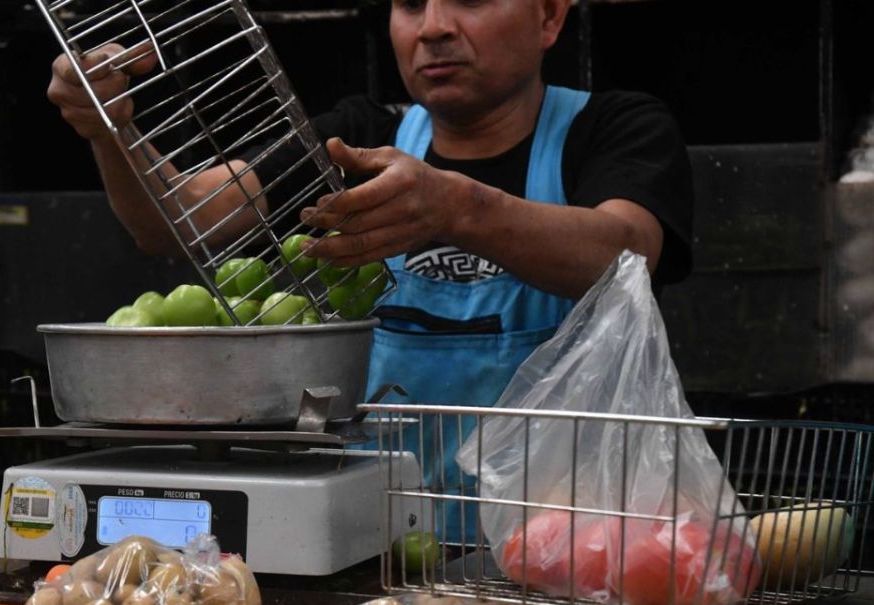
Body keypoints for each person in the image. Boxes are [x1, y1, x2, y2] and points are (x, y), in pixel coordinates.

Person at [47, 0, 693, 541]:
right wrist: (111, 130)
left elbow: (627, 251)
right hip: (377, 553)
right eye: (410, 3)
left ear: (550, 16)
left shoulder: (613, 131)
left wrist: (455, 206)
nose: (433, 26)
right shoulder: (357, 142)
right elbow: (178, 219)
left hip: (570, 553)